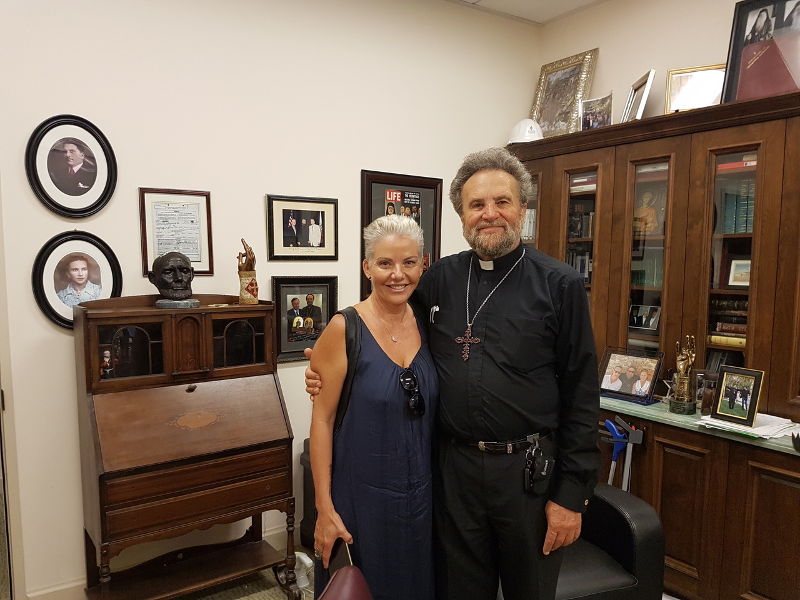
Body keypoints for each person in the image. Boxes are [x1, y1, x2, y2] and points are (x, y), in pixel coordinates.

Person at [306, 147, 599, 600]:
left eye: (502, 202)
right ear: (462, 215)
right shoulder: (439, 278)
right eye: (476, 205)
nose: (489, 215)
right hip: (454, 473)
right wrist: (325, 371)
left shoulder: (559, 284)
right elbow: (387, 329)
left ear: (523, 208)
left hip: (528, 477)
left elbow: (582, 393)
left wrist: (571, 495)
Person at [310, 214, 437, 600]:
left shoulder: (432, 324)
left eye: (408, 262)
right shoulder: (343, 328)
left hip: (420, 501)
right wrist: (324, 509)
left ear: (423, 264)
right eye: (385, 263)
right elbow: (321, 421)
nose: (397, 274)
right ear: (367, 267)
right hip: (360, 503)